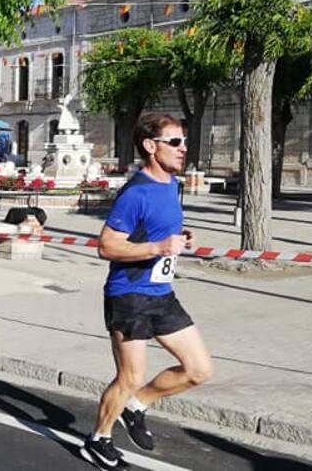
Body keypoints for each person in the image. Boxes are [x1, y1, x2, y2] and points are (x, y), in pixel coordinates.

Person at [80, 113, 213, 468]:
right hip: (129, 296)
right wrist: (157, 247)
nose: (183, 148)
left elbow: (156, 227)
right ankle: (98, 440)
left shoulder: (171, 184)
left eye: (184, 141)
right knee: (131, 376)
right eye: (175, 142)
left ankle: (137, 406)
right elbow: (106, 246)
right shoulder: (135, 193)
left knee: (199, 369)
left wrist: (178, 236)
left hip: (162, 294)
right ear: (151, 146)